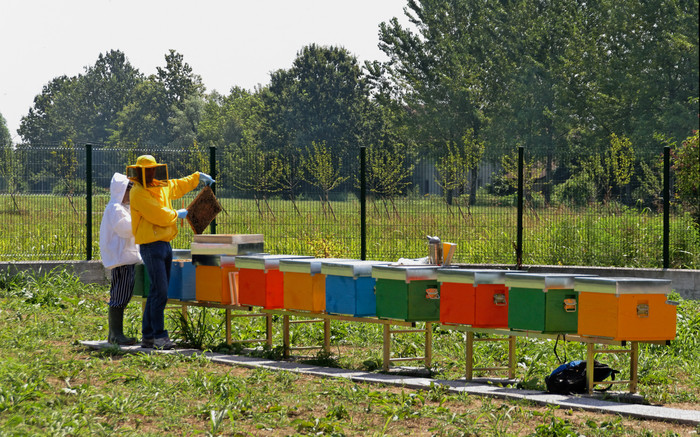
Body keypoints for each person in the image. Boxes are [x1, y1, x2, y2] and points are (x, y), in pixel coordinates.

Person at [127, 155, 214, 349]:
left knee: (157, 292)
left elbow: (176, 185)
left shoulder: (159, 184)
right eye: (147, 170)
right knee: (161, 292)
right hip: (150, 245)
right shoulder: (138, 192)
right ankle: (159, 336)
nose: (150, 173)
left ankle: (148, 336)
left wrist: (197, 177)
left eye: (153, 169)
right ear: (139, 171)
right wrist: (178, 214)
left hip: (165, 243)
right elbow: (158, 214)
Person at [99, 172, 142, 345]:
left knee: (121, 294)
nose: (130, 195)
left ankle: (114, 334)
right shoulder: (115, 209)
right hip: (121, 259)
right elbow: (126, 229)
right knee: (120, 296)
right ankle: (116, 334)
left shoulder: (121, 208)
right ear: (121, 191)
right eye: (128, 191)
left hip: (124, 258)